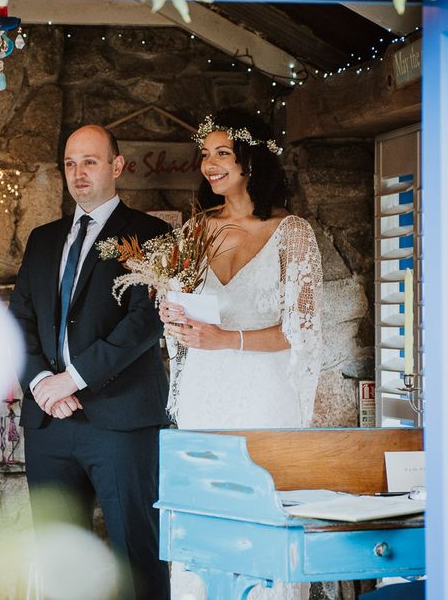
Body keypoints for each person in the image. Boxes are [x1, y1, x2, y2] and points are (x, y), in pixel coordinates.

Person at [159, 113, 324, 600]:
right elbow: (183, 318)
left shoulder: (292, 234)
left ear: (251, 160)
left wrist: (227, 340)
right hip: (203, 398)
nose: (209, 164)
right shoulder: (193, 232)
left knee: (262, 523)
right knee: (204, 526)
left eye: (222, 153)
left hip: (264, 399)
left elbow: (303, 334)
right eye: (205, 154)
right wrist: (172, 317)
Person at [9, 124, 171, 600]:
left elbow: (145, 322)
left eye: (91, 162)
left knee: (135, 556)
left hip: (120, 421)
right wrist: (42, 382)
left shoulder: (151, 235)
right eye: (70, 164)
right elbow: (18, 320)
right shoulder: (42, 240)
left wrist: (73, 380)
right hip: (49, 423)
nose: (78, 174)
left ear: (117, 166)